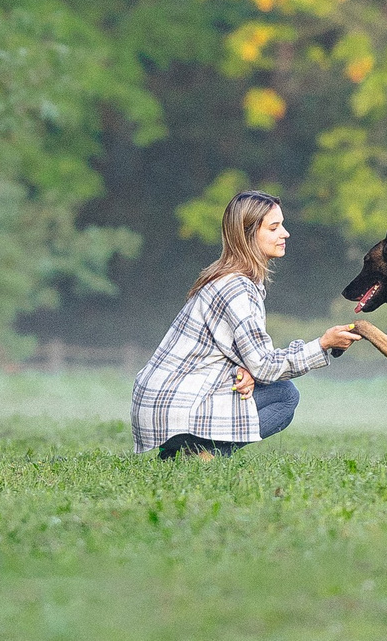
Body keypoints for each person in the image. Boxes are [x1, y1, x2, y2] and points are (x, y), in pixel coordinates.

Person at [131, 189, 360, 459]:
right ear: (248, 234)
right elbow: (265, 366)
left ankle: (177, 455)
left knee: (276, 389)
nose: (285, 233)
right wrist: (322, 345)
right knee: (285, 396)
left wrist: (245, 370)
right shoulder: (237, 287)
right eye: (274, 227)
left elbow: (234, 354)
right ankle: (206, 457)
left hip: (164, 403)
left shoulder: (230, 278)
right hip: (177, 406)